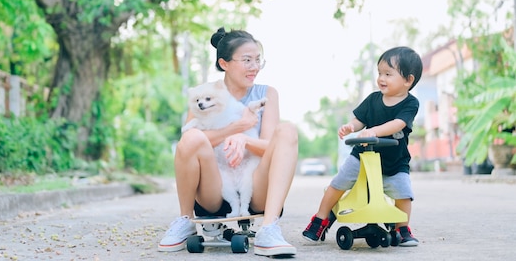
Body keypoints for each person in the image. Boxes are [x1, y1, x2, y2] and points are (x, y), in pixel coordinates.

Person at [158, 27, 298, 257]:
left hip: (254, 186)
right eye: (246, 60)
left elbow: (268, 145)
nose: (254, 67)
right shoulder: (205, 94)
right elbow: (189, 144)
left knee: (287, 131)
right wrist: (234, 129)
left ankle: (269, 230)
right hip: (213, 189)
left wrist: (244, 139)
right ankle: (185, 220)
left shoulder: (267, 93)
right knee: (191, 136)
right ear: (224, 63)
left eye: (257, 60)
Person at [302, 46, 423, 247]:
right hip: (362, 156)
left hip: (394, 162)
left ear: (408, 80)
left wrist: (374, 131)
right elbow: (359, 120)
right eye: (380, 73)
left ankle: (402, 228)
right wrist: (351, 127)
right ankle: (321, 219)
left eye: (388, 74)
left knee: (404, 194)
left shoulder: (411, 103)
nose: (381, 78)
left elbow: (398, 124)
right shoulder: (373, 99)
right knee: (337, 184)